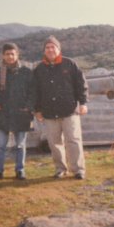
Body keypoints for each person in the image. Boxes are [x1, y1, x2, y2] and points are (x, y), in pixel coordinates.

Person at [33, 35, 88, 180]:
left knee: (74, 140)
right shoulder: (39, 69)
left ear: (59, 49)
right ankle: (60, 169)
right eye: (47, 47)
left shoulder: (70, 64)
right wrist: (37, 110)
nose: (50, 49)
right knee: (54, 142)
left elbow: (81, 85)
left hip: (70, 111)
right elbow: (35, 91)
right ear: (44, 50)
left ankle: (78, 170)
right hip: (49, 113)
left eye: (53, 47)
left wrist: (83, 103)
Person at [0, 43, 34, 181]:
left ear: (17, 55)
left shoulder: (26, 72)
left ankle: (20, 170)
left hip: (21, 113)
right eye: (7, 54)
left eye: (12, 54)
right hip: (3, 113)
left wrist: (28, 107)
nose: (10, 56)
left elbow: (32, 93)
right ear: (3, 55)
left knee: (20, 145)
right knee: (0, 145)